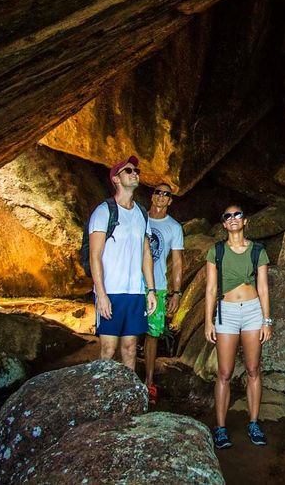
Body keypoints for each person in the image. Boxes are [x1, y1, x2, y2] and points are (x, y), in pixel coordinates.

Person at [204, 205, 273, 449]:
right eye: (228, 216)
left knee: (253, 369)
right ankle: (220, 428)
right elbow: (211, 289)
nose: (233, 219)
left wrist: (267, 320)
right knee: (224, 372)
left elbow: (263, 287)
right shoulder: (217, 252)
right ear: (224, 224)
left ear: (245, 221)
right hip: (227, 312)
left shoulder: (257, 251)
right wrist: (208, 321)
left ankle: (254, 423)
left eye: (237, 215)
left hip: (253, 311)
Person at [88, 156, 158, 369]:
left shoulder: (141, 214)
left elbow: (146, 253)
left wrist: (151, 290)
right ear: (116, 179)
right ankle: (101, 399)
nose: (135, 173)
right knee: (108, 349)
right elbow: (95, 255)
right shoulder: (104, 211)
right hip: (112, 291)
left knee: (130, 347)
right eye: (128, 171)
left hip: (135, 292)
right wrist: (101, 295)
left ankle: (130, 399)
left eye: (136, 170)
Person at [144, 182, 184, 405]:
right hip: (132, 285)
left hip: (158, 286)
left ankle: (149, 382)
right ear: (152, 196)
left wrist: (176, 293)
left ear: (170, 200)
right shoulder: (139, 218)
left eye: (165, 194)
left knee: (152, 334)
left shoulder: (174, 228)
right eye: (157, 192)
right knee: (128, 334)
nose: (161, 196)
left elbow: (177, 262)